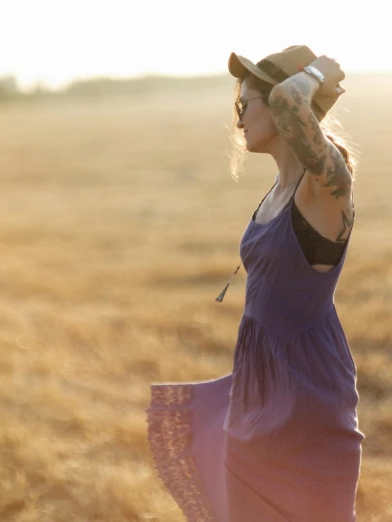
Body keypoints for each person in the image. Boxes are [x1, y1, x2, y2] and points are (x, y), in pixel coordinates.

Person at [146, 45, 364, 522]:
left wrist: (318, 71)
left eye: (247, 103)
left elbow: (289, 100)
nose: (239, 116)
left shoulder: (326, 188)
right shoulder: (280, 190)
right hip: (255, 404)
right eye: (236, 106)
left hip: (307, 409)